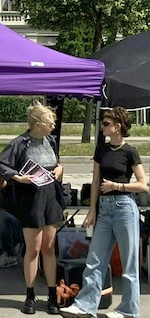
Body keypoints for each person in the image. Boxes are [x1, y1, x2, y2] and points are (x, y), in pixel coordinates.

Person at [61, 107, 146, 318]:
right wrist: (91, 211)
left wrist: (118, 187)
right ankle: (85, 305)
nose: (103, 127)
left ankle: (128, 309)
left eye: (107, 124)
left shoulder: (130, 152)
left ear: (118, 127)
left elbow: (143, 184)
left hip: (124, 206)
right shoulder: (102, 150)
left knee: (129, 262)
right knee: (95, 259)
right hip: (105, 209)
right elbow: (96, 181)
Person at [0, 101, 64, 315]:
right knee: (33, 249)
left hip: (51, 195)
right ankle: (30, 295)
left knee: (49, 248)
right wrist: (18, 178)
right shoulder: (20, 143)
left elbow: (57, 162)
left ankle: (52, 295)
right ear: (37, 124)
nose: (53, 127)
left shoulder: (50, 141)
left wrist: (60, 169)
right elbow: (0, 164)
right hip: (31, 198)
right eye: (50, 123)